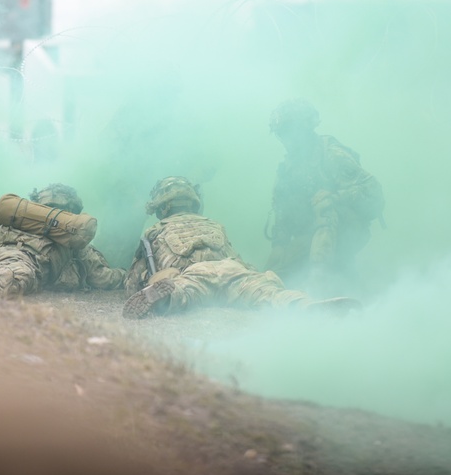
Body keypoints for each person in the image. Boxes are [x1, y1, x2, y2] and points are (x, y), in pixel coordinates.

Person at [122, 176, 355, 319]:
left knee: (184, 293)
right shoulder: (214, 225)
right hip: (229, 269)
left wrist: (141, 283)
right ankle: (303, 306)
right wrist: (253, 275)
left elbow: (132, 281)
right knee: (266, 292)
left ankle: (166, 297)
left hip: (192, 275)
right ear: (195, 202)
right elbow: (235, 258)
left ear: (161, 208)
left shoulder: (154, 231)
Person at [265, 98, 385, 287]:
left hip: (347, 231)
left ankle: (319, 280)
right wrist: (278, 250)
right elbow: (282, 211)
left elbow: (374, 192)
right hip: (311, 236)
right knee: (273, 274)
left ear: (303, 128)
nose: (285, 140)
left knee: (325, 203)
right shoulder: (288, 168)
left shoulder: (331, 154)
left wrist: (335, 197)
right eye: (282, 134)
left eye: (289, 132)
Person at [0, 183, 125, 297]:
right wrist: (123, 275)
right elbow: (100, 277)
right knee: (14, 275)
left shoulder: (17, 218)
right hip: (23, 261)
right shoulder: (69, 236)